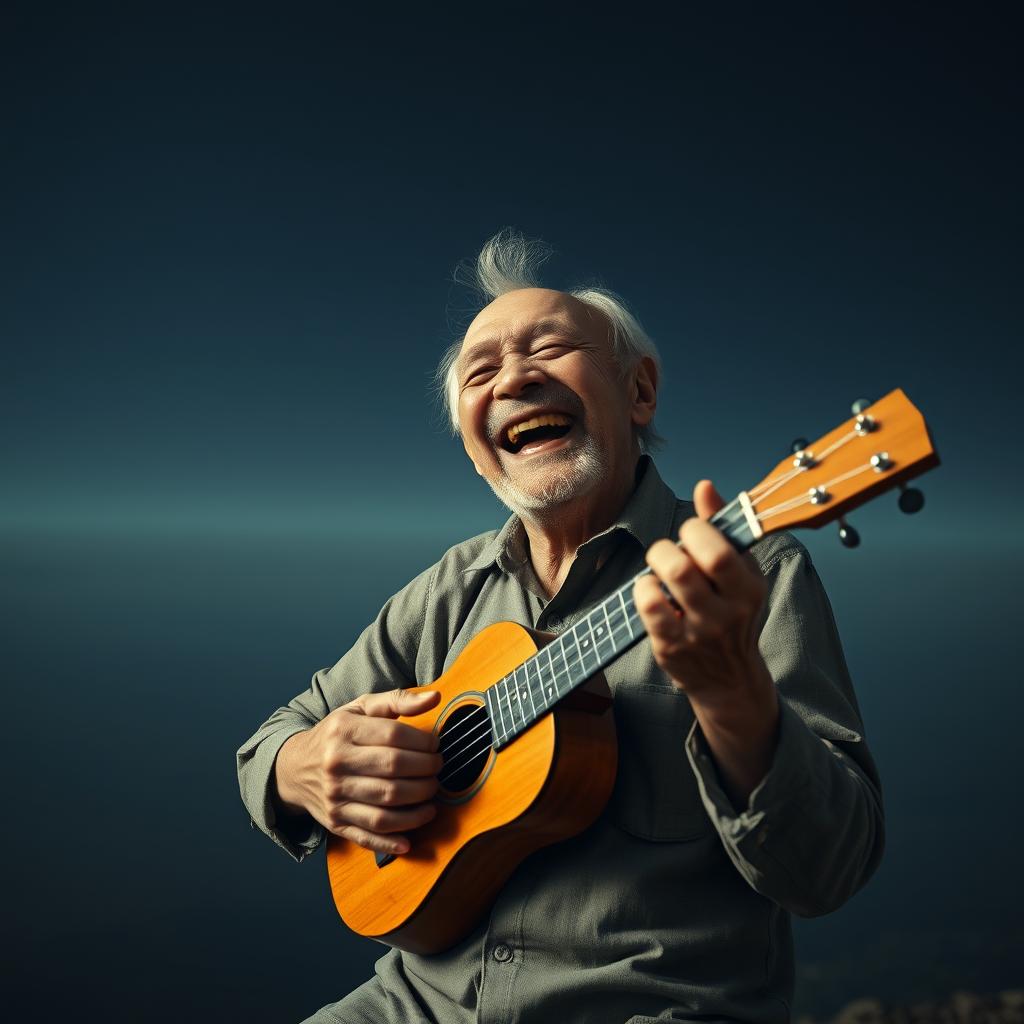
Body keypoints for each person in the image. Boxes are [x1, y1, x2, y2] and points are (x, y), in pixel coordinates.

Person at [236, 229, 885, 1024]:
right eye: (482, 372)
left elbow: (828, 869)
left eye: (549, 349)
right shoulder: (449, 589)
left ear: (638, 393)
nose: (513, 378)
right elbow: (270, 741)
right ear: (476, 449)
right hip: (414, 1004)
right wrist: (305, 765)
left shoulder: (750, 575)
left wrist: (733, 696)